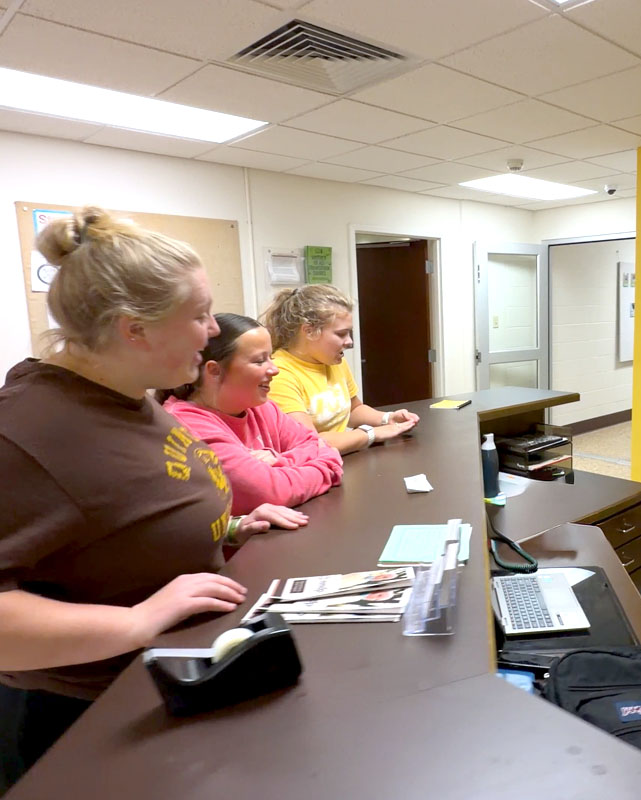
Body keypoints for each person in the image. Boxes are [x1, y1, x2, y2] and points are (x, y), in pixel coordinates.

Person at [0, 208, 305, 792]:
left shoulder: (129, 398)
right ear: (132, 328)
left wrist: (234, 525)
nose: (214, 329)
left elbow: (119, 519)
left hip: (174, 680)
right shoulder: (24, 431)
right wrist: (136, 620)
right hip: (85, 723)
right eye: (198, 315)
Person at [163, 313, 344, 515]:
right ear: (214, 370)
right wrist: (328, 466)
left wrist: (279, 461)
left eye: (271, 358)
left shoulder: (261, 407)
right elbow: (271, 492)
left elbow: (317, 443)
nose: (274, 370)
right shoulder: (187, 425)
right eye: (259, 361)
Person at [261, 286, 419, 455]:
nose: (350, 342)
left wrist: (387, 418)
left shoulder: (334, 360)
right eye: (341, 334)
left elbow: (353, 409)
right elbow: (308, 444)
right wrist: (370, 434)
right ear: (309, 331)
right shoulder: (279, 374)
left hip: (343, 458)